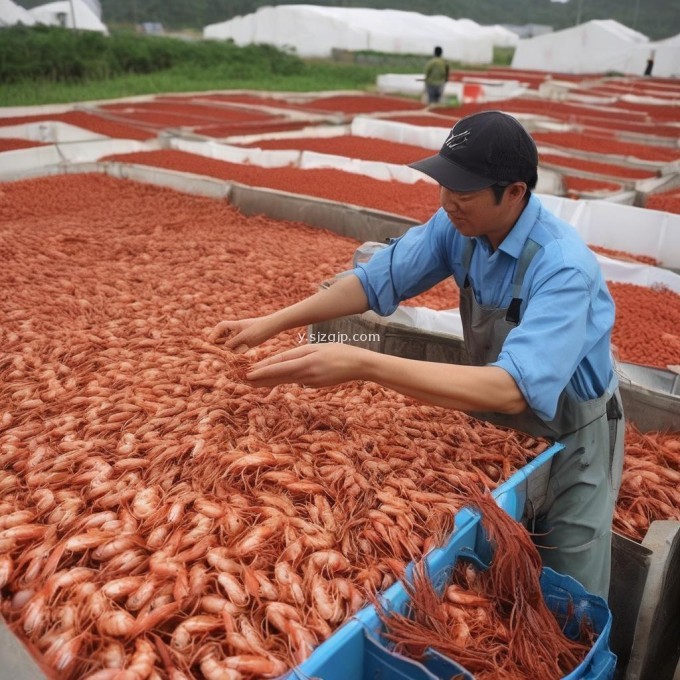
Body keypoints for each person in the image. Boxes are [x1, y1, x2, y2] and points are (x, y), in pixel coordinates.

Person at [208, 110, 625, 601]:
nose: (447, 202)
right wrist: (273, 321)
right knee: (487, 573)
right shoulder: (457, 227)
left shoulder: (562, 266)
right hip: (494, 427)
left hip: (572, 434)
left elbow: (513, 389)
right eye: (444, 186)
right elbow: (373, 280)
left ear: (515, 192)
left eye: (463, 193)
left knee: (568, 587)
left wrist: (362, 362)